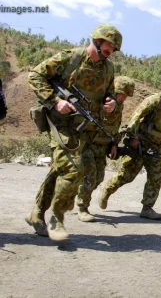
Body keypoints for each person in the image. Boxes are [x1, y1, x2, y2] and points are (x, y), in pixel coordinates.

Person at [26, 24, 122, 241]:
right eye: (110, 45)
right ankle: (56, 219)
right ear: (97, 40)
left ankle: (36, 214)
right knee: (73, 170)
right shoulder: (71, 58)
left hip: (85, 130)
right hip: (60, 124)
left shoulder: (108, 69)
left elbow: (111, 94)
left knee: (58, 170)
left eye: (115, 48)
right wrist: (54, 101)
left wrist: (112, 103)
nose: (112, 50)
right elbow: (35, 76)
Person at [98, 80, 161, 220]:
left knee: (156, 178)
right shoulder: (156, 99)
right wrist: (133, 137)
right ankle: (107, 189)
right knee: (127, 176)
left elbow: (158, 122)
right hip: (140, 144)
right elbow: (137, 116)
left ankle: (147, 208)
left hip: (154, 148)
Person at [76, 76, 135, 222]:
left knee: (99, 178)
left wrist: (114, 144)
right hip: (89, 144)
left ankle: (77, 191)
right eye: (124, 95)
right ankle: (83, 208)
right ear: (117, 91)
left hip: (103, 147)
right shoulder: (103, 102)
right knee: (90, 177)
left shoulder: (120, 105)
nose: (125, 98)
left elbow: (116, 126)